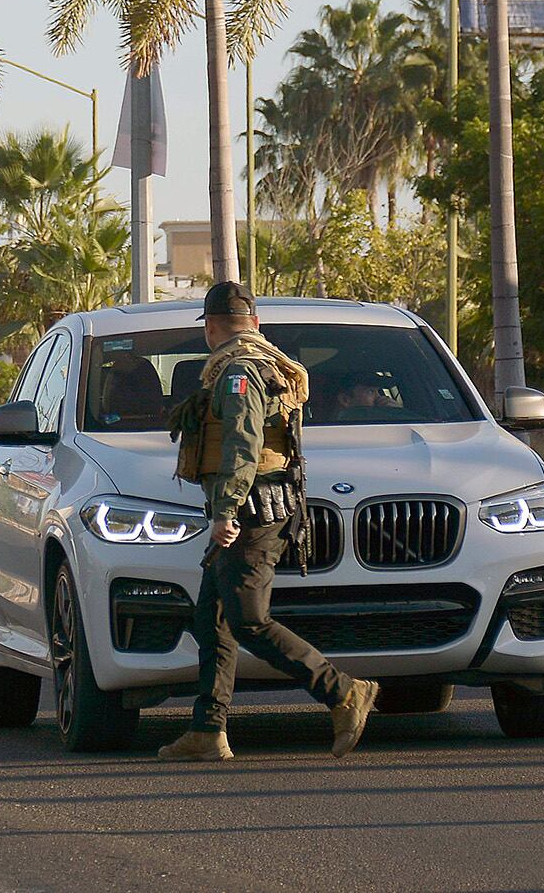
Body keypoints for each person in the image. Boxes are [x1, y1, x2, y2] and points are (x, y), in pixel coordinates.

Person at [160, 283, 380, 762]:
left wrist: (226, 512)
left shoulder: (237, 371)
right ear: (255, 324)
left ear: (211, 328)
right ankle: (207, 729)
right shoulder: (264, 360)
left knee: (249, 620)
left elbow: (243, 444)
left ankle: (343, 692)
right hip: (260, 506)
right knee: (210, 619)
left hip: (250, 512)